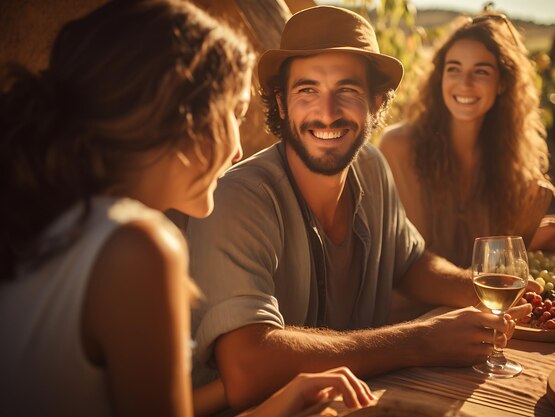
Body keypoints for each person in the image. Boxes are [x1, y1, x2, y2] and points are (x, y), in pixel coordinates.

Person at [0, 1, 375, 416]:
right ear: (180, 116)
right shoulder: (137, 248)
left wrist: (279, 401)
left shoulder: (56, 228)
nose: (237, 151)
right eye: (233, 114)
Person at [183, 5, 537, 410]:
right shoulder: (240, 197)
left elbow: (412, 263)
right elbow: (249, 366)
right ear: (281, 104)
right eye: (307, 90)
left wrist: (484, 289)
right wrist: (422, 341)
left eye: (347, 91)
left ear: (377, 102)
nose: (327, 112)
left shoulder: (370, 165)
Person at [379, 10, 555, 269]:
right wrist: (528, 241)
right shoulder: (400, 146)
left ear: (501, 84)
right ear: (439, 77)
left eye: (481, 72)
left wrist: (527, 238)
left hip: (477, 302)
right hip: (415, 308)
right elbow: (415, 262)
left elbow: (494, 266)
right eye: (453, 69)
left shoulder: (513, 163)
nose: (464, 83)